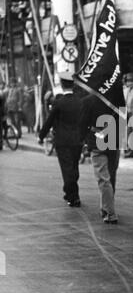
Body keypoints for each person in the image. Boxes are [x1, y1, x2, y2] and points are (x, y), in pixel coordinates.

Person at [79, 87, 125, 224]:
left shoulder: (88, 101)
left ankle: (110, 213)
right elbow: (123, 119)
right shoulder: (117, 99)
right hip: (114, 141)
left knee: (103, 178)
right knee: (111, 176)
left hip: (97, 141)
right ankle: (106, 208)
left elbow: (82, 124)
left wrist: (82, 141)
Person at [38, 72, 82, 207]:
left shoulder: (59, 103)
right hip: (77, 140)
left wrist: (41, 136)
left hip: (62, 141)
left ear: (62, 85)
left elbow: (49, 121)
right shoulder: (80, 102)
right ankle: (69, 192)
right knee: (73, 167)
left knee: (67, 169)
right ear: (73, 85)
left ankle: (73, 197)